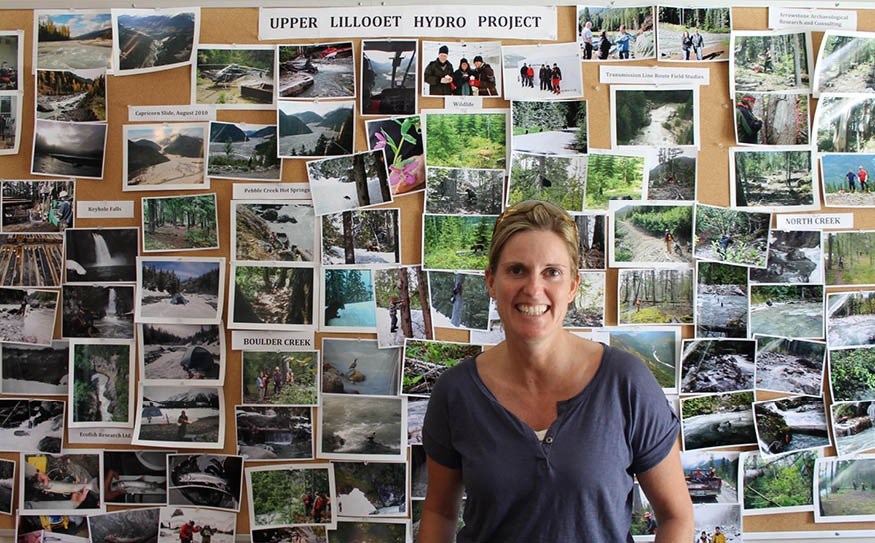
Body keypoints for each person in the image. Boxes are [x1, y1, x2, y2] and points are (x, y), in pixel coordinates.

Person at [418, 200, 693, 541]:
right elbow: (439, 513)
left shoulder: (626, 382)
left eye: (552, 272)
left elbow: (676, 517)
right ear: (491, 281)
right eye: (516, 270)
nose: (534, 289)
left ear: (573, 286)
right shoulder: (455, 391)